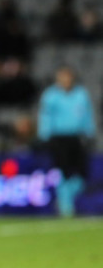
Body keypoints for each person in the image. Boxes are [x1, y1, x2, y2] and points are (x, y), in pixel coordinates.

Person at [37, 66, 96, 217]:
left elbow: (87, 114)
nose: (65, 80)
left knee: (82, 174)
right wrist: (44, 135)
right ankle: (65, 205)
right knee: (62, 171)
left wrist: (90, 133)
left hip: (77, 137)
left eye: (67, 76)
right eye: (62, 77)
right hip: (58, 138)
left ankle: (65, 197)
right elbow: (45, 116)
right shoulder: (51, 95)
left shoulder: (81, 94)